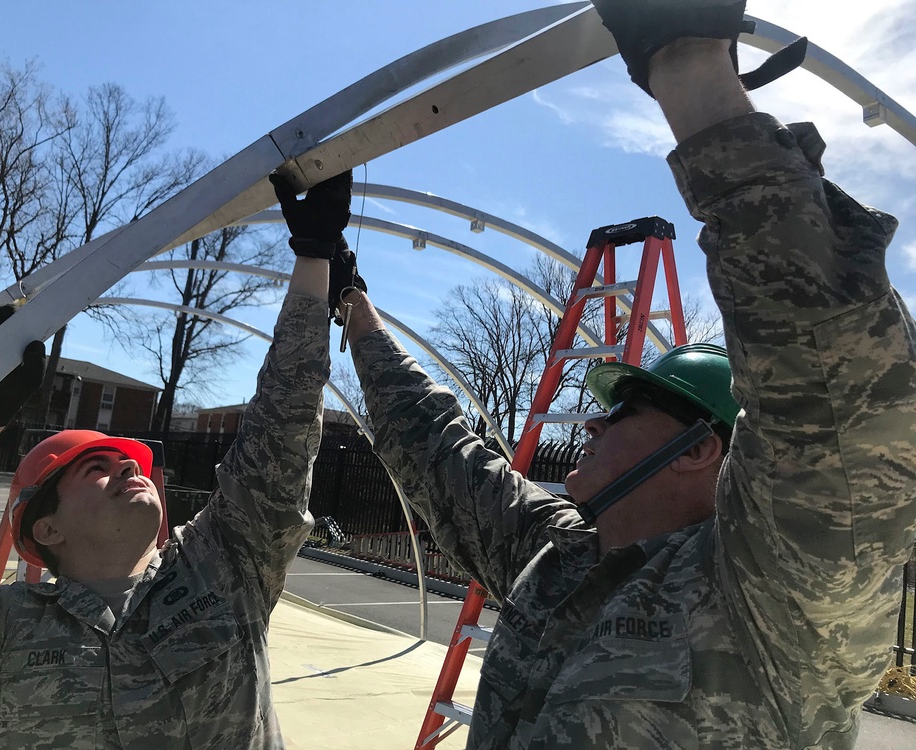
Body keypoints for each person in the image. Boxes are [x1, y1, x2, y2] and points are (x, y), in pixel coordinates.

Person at [330, 3, 916, 748]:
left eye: (628, 409)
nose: (596, 422)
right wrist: (349, 301)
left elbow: (833, 379)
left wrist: (692, 72)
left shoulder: (774, 601)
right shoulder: (560, 557)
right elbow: (433, 447)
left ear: (701, 447)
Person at [0, 171, 352, 749]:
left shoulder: (220, 569)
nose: (128, 468)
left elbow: (283, 433)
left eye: (130, 465)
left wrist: (314, 259)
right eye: (96, 469)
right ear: (46, 527)